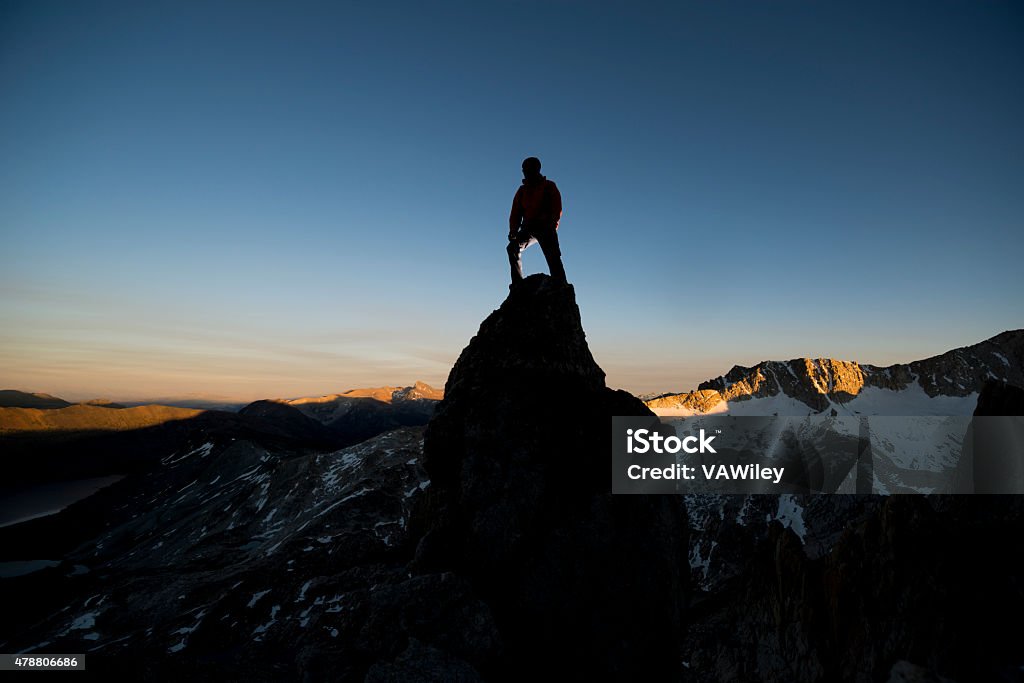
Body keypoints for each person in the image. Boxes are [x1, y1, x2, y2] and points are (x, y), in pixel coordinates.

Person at [507, 156, 566, 285]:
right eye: (524, 169)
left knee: (553, 258)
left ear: (537, 169)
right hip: (528, 229)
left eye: (528, 169)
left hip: (546, 227)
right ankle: (517, 285)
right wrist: (513, 230)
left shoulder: (549, 186)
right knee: (512, 248)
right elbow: (516, 212)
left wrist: (552, 225)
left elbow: (557, 208)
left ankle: (561, 285)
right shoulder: (522, 191)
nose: (525, 172)